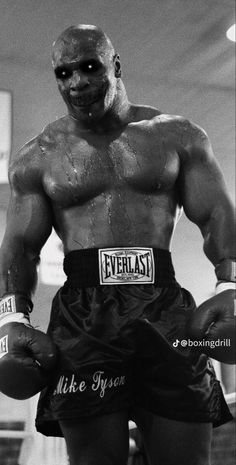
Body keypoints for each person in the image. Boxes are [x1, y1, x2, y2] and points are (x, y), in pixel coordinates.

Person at [0, 24, 235, 465]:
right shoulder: (39, 156)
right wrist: (10, 317)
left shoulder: (177, 137)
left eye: (89, 67)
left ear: (116, 66)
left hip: (165, 312)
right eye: (64, 73)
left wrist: (229, 286)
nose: (77, 83)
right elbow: (19, 248)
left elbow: (217, 215)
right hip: (83, 320)